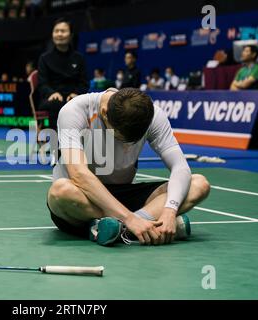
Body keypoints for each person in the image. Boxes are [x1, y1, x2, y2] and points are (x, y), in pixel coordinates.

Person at [47, 88, 210, 246]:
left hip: (125, 195)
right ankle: (142, 226)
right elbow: (79, 174)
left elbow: (180, 167)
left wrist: (170, 210)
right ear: (104, 113)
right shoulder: (74, 111)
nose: (126, 147)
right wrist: (130, 219)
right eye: (121, 138)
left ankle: (114, 229)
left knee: (198, 184)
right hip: (84, 199)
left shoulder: (151, 114)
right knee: (60, 191)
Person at [37, 18, 88, 131]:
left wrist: (76, 94)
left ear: (70, 35)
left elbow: (83, 83)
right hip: (51, 100)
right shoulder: (45, 58)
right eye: (56, 31)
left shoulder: (79, 58)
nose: (59, 34)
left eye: (63, 31)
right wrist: (52, 93)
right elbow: (42, 83)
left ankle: (77, 144)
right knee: (56, 106)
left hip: (73, 98)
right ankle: (58, 145)